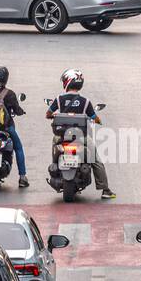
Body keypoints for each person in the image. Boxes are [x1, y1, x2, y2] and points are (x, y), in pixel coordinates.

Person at [47, 69, 115, 199]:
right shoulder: (86, 101)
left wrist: (55, 115)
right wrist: (97, 120)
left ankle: (55, 166)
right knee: (95, 160)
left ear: (67, 82)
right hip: (81, 138)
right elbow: (94, 118)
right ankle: (105, 190)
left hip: (62, 137)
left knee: (54, 144)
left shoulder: (59, 99)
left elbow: (48, 114)